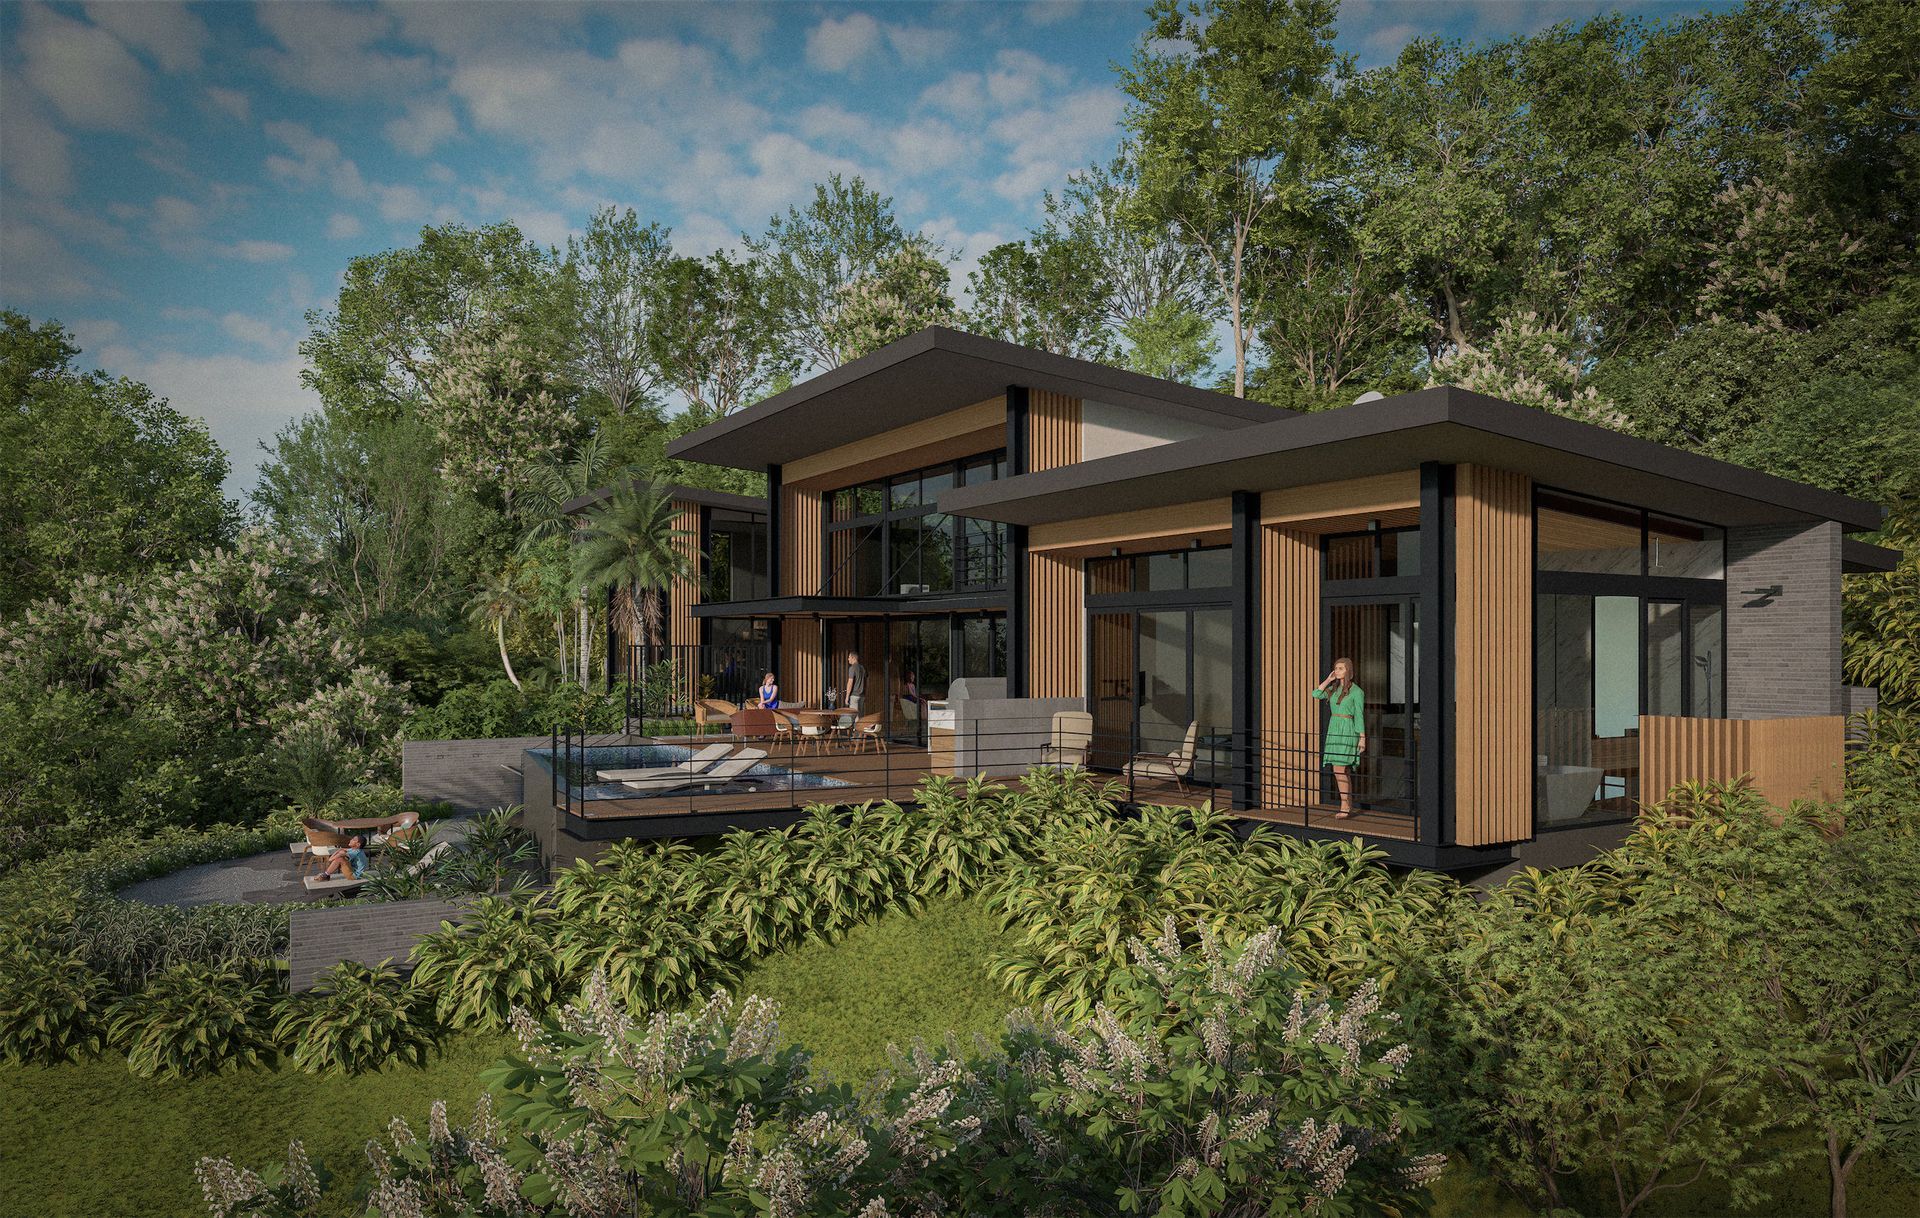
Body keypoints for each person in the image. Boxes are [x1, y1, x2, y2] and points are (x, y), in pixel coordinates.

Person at [1312, 658, 1367, 818]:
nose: (1337, 671)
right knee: (1342, 770)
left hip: (1348, 729)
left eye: (1341, 668)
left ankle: (1345, 806)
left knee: (1339, 768)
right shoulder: (1334, 689)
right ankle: (1347, 803)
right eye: (1336, 668)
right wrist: (1328, 679)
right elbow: (1316, 693)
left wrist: (1362, 737)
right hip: (1334, 728)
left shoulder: (1357, 692)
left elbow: (1359, 716)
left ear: (1348, 671)